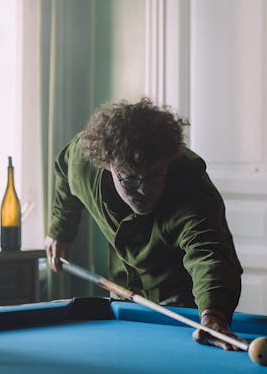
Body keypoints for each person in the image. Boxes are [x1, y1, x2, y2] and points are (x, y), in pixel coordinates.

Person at [45, 98, 244, 351]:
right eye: (129, 179)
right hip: (123, 294)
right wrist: (60, 231)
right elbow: (64, 169)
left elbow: (209, 255)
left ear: (167, 162)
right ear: (107, 165)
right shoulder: (83, 164)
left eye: (155, 174)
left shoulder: (193, 193)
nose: (145, 190)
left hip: (181, 300)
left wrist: (213, 316)